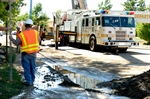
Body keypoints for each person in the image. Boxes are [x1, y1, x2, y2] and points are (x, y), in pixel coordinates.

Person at [9, 19, 40, 86]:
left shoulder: (22, 34)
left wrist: (11, 39)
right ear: (31, 25)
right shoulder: (36, 32)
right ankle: (32, 80)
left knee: (27, 68)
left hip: (25, 54)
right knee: (32, 67)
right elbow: (39, 40)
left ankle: (28, 82)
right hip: (34, 54)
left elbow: (17, 43)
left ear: (25, 25)